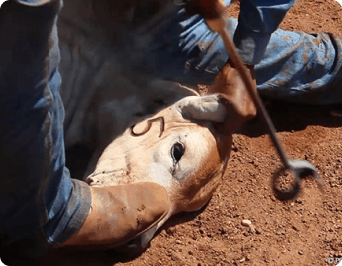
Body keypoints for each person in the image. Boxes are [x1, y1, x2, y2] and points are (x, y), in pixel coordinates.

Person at [1, 0, 341, 265]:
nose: (141, 239)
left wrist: (247, 55)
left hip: (140, 21)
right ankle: (52, 210)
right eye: (176, 153)